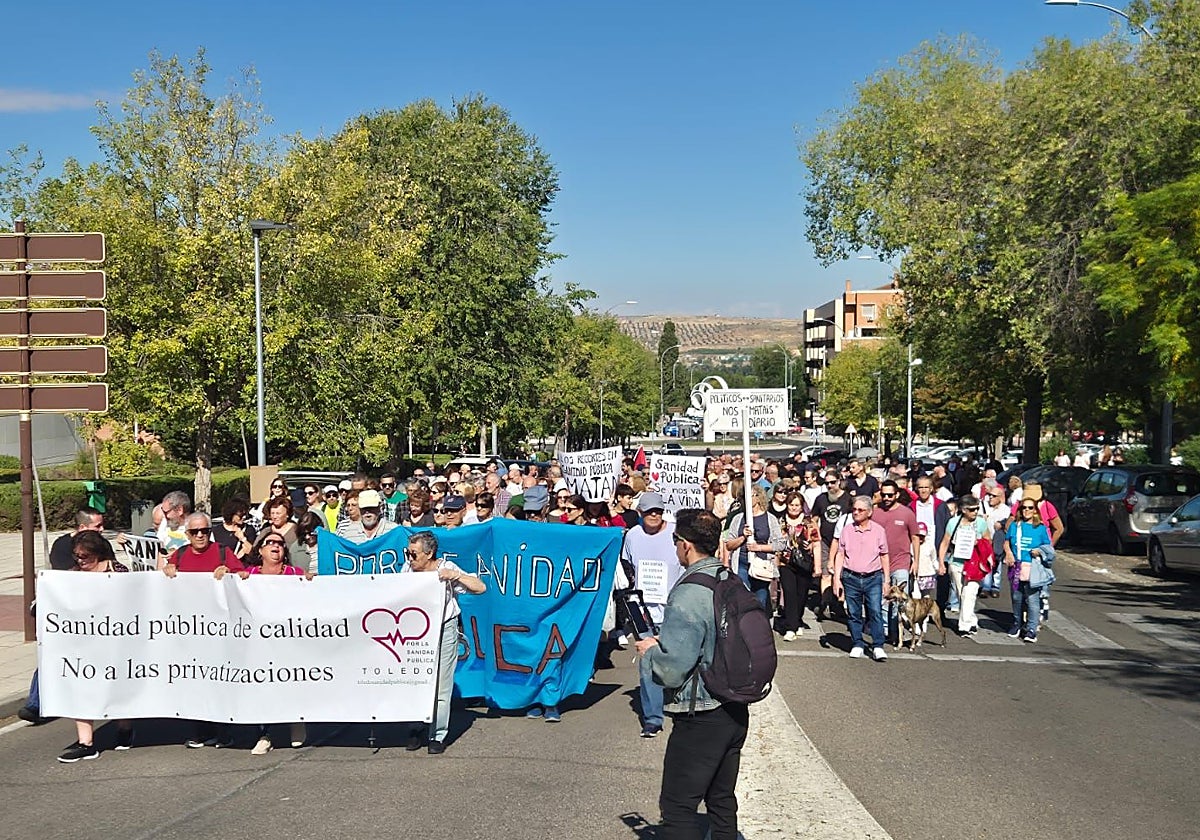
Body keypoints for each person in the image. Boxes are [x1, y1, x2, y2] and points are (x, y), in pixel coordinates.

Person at [636, 509, 749, 840]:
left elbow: (672, 669)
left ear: (685, 544)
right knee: (722, 802)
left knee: (678, 808)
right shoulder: (729, 579)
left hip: (701, 712)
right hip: (734, 705)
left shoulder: (689, 591)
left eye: (675, 541)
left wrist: (649, 652)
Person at [401, 530, 486, 753]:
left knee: (441, 682)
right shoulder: (407, 569)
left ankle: (437, 735)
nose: (409, 558)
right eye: (407, 553)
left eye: (413, 554)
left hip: (443, 628)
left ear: (429, 554)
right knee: (414, 680)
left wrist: (455, 576)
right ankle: (415, 727)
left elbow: (480, 587)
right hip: (415, 631)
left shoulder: (445, 568)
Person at [54, 531, 135, 762]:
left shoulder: (119, 572)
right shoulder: (73, 575)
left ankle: (125, 729)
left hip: (115, 643)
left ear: (97, 553)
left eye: (85, 556)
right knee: (81, 687)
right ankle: (86, 743)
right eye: (77, 556)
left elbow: (134, 604)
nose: (80, 561)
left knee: (117, 688)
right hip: (83, 645)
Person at [240, 533, 310, 754]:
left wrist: (311, 582)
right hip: (258, 640)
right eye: (270, 543)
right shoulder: (248, 575)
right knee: (261, 685)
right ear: (260, 550)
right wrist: (228, 577)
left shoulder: (295, 574)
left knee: (290, 680)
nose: (276, 547)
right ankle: (265, 734)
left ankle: (296, 721)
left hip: (288, 638)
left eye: (280, 543)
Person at [618, 492, 679, 738]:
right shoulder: (632, 535)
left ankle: (683, 702)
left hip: (675, 609)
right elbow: (627, 568)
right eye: (648, 512)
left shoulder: (677, 533)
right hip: (643, 610)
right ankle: (653, 718)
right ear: (640, 513)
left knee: (679, 661)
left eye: (658, 511)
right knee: (647, 664)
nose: (654, 515)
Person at [832, 497, 890, 660]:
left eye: (860, 510)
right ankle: (857, 643)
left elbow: (884, 555)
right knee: (853, 613)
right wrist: (837, 579)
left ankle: (878, 645)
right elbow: (840, 554)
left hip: (873, 577)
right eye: (854, 509)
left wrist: (886, 580)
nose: (856, 513)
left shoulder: (878, 531)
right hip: (851, 577)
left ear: (869, 512)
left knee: (875, 611)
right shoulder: (847, 530)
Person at [872, 479, 919, 646]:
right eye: (883, 494)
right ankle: (884, 631)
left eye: (890, 495)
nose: (886, 498)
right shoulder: (875, 512)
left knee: (899, 599)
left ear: (897, 494)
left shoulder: (907, 513)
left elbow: (915, 537)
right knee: (883, 598)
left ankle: (896, 631)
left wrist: (916, 562)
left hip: (901, 562)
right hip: (878, 563)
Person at [722, 486, 785, 611]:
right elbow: (729, 545)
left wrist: (759, 547)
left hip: (761, 564)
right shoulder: (738, 518)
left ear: (758, 497)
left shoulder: (770, 519)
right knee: (742, 597)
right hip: (741, 563)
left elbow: (780, 544)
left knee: (760, 600)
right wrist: (742, 537)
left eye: (749, 496)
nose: (746, 500)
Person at [936, 495, 990, 635]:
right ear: (963, 509)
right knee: (962, 594)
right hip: (957, 562)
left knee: (970, 593)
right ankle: (972, 620)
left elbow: (988, 541)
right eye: (972, 509)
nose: (976, 512)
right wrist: (941, 562)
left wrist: (979, 543)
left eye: (977, 509)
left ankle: (964, 626)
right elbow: (945, 542)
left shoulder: (981, 523)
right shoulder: (953, 522)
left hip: (975, 564)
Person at [1004, 500, 1055, 643]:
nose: (1026, 510)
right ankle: (1017, 623)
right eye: (1024, 508)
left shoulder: (1040, 528)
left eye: (1030, 508)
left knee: (1032, 599)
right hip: (1016, 566)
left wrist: (1039, 551)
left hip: (1033, 567)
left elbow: (1048, 547)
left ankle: (1031, 629)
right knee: (1016, 597)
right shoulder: (1015, 525)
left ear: (1035, 511)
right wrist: (1008, 553)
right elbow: (1007, 542)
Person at [810, 470, 851, 620]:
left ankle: (840, 604)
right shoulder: (821, 499)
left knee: (841, 574)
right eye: (826, 483)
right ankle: (825, 603)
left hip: (844, 542)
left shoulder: (847, 499)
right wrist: (815, 535)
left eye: (832, 482)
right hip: (825, 541)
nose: (829, 486)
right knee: (826, 573)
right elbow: (813, 519)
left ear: (839, 481)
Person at [778, 491, 819, 642]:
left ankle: (798, 620)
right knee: (789, 593)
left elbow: (816, 543)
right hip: (785, 562)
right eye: (791, 504)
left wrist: (818, 566)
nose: (794, 508)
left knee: (801, 596)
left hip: (805, 562)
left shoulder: (809, 522)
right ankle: (791, 627)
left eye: (797, 505)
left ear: (802, 506)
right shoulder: (781, 521)